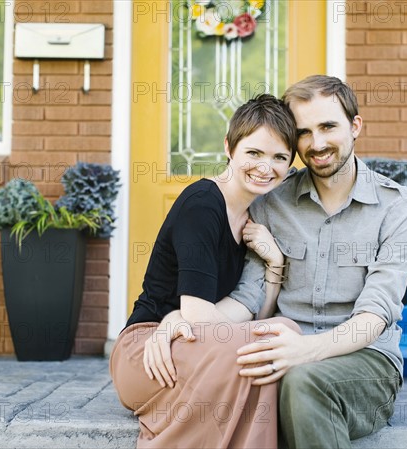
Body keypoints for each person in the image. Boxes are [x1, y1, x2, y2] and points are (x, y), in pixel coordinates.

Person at [227, 75, 407, 448]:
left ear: (355, 126)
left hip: (366, 363)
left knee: (302, 380)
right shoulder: (271, 202)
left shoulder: (396, 207)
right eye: (303, 132)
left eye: (328, 126)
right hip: (283, 350)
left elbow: (376, 314)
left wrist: (305, 352)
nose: (316, 144)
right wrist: (189, 323)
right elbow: (251, 300)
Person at [109, 94, 302, 449]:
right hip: (149, 354)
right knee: (276, 336)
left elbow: (253, 312)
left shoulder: (252, 219)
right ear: (229, 147)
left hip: (192, 345)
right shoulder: (202, 204)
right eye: (254, 153)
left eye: (279, 157)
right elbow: (201, 318)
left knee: (277, 333)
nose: (265, 167)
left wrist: (275, 264)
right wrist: (172, 323)